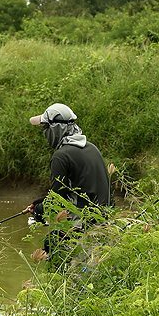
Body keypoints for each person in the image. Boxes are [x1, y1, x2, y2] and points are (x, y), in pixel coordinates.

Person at [24, 103, 111, 268]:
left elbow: (57, 201)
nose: (44, 133)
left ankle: (61, 287)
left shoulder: (61, 156)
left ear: (55, 129)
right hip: (105, 220)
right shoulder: (92, 148)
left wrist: (38, 212)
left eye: (45, 128)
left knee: (52, 241)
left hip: (86, 225)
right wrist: (40, 202)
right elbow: (70, 191)